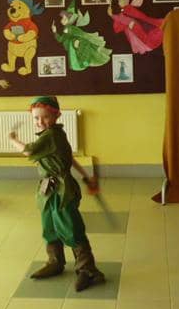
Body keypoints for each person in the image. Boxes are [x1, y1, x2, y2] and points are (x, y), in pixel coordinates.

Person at [8, 96, 106, 292]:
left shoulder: (51, 135)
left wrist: (12, 140)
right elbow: (69, 158)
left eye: (45, 117)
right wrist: (86, 175)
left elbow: (29, 151)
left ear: (56, 115)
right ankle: (55, 262)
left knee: (71, 227)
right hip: (48, 189)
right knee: (49, 225)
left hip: (62, 190)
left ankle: (88, 270)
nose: (40, 122)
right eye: (36, 118)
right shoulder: (52, 135)